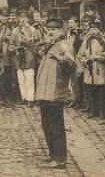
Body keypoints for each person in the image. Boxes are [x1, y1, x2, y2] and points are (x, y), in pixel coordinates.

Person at [35, 18, 75, 169]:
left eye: (54, 29)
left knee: (56, 126)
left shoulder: (64, 45)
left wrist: (58, 57)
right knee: (47, 126)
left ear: (61, 30)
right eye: (49, 29)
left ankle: (60, 159)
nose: (50, 32)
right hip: (45, 93)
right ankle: (52, 153)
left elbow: (71, 65)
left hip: (55, 93)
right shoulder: (51, 45)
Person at [78, 19, 105, 119]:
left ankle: (102, 112)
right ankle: (93, 111)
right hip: (90, 69)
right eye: (91, 29)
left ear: (99, 29)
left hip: (101, 70)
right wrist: (84, 60)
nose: (93, 31)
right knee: (91, 91)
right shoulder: (86, 40)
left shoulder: (104, 41)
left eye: (95, 29)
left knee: (102, 92)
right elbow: (80, 54)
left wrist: (96, 57)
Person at [9, 9, 39, 106]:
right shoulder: (15, 30)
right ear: (18, 18)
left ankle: (30, 98)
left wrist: (27, 39)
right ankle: (23, 97)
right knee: (21, 79)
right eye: (21, 18)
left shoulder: (33, 30)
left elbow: (36, 43)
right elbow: (11, 43)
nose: (23, 20)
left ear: (28, 19)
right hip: (18, 57)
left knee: (29, 78)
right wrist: (15, 50)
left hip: (29, 56)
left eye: (24, 18)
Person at [0, 6, 14, 103]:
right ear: (0, 16)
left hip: (8, 56)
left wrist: (9, 39)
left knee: (8, 77)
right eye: (3, 16)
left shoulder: (12, 28)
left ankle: (8, 96)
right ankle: (0, 97)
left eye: (6, 16)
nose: (4, 18)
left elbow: (16, 40)